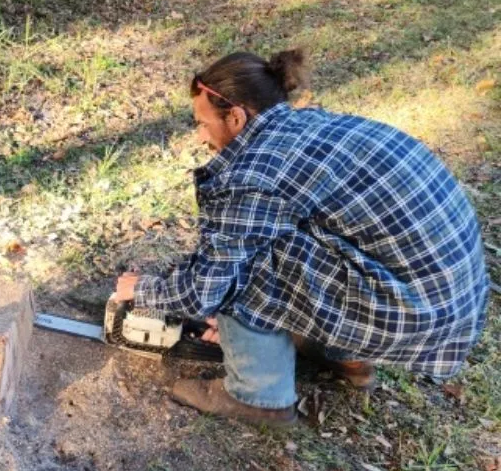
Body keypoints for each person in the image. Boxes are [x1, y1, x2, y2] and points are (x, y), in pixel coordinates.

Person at [114, 49, 489, 426]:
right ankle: (343, 355)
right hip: (450, 299)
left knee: (247, 260)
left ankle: (258, 396)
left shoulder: (253, 174)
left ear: (236, 117)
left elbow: (203, 289)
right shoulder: (304, 126)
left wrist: (143, 290)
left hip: (410, 310)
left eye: (203, 123)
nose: (200, 137)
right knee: (274, 238)